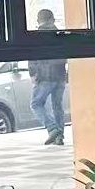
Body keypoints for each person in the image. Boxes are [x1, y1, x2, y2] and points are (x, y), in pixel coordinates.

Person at [29, 9, 67, 145]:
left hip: (44, 76)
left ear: (38, 20)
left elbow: (32, 55)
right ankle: (59, 137)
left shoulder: (36, 37)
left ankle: (52, 128)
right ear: (53, 19)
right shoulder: (60, 35)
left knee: (36, 104)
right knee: (57, 106)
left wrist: (33, 73)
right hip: (60, 76)